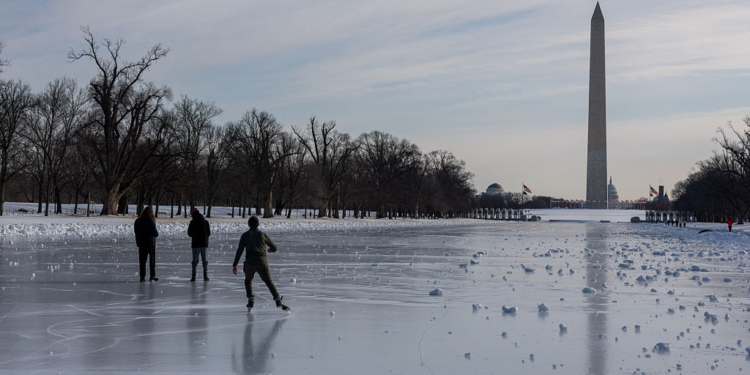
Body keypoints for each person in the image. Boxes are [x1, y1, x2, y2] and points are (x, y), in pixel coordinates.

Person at [232, 216, 290, 312]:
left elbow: (240, 251)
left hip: (249, 263)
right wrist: (270, 250)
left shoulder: (245, 235)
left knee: (248, 280)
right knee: (269, 282)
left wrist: (235, 264)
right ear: (258, 224)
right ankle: (278, 300)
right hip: (261, 262)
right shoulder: (262, 235)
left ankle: (250, 298)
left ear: (249, 224)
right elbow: (274, 247)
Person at [134, 206, 159, 282]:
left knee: (142, 261)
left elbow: (136, 232)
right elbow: (155, 233)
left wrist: (138, 241)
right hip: (150, 243)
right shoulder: (150, 221)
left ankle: (142, 277)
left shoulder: (138, 221)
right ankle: (152, 275)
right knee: (152, 261)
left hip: (142, 243)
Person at [188, 208, 211, 282]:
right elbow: (209, 233)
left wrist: (194, 236)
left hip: (195, 244)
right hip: (204, 243)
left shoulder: (192, 222)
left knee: (195, 261)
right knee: (205, 261)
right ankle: (205, 275)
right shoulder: (205, 222)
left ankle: (193, 275)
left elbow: (189, 233)